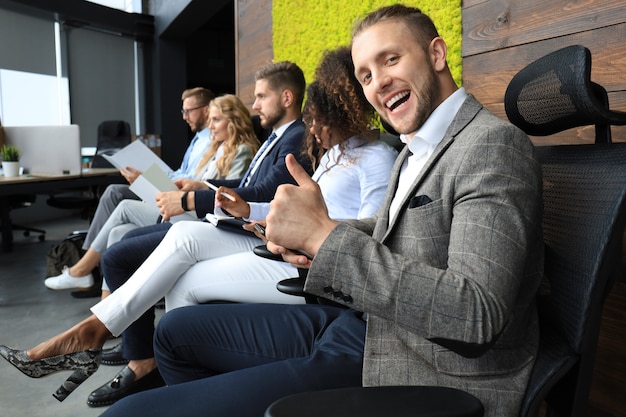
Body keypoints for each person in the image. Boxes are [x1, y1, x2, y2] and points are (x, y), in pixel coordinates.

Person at [97, 5, 543, 417]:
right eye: (365, 75)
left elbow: (475, 313)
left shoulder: (491, 146)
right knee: (173, 332)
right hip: (362, 323)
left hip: (414, 363)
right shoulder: (416, 148)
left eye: (390, 60)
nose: (378, 83)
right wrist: (312, 236)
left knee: (124, 415)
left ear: (437, 54)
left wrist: (324, 238)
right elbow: (393, 231)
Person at [0, 60, 313, 403]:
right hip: (231, 219)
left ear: (286, 97)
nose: (254, 105)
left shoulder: (297, 137)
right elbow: (247, 186)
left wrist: (193, 197)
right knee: (123, 243)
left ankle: (116, 345)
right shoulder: (278, 137)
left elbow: (267, 192)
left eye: (261, 97)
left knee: (124, 250)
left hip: (252, 232)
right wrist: (200, 186)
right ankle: (131, 352)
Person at [43, 94, 259, 299]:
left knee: (125, 205)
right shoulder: (216, 149)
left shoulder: (242, 151)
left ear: (234, 121)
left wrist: (196, 188)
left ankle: (82, 270)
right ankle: (108, 307)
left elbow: (230, 195)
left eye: (216, 120)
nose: (210, 126)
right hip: (186, 205)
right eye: (210, 120)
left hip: (197, 215)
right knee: (118, 232)